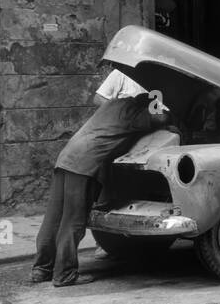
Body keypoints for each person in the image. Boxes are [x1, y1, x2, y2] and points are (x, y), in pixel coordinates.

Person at [32, 91, 169, 287]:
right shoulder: (133, 114)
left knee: (53, 219)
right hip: (85, 164)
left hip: (65, 158)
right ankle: (65, 274)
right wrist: (168, 113)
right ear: (144, 105)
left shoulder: (112, 104)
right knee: (73, 221)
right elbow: (161, 119)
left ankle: (41, 269)